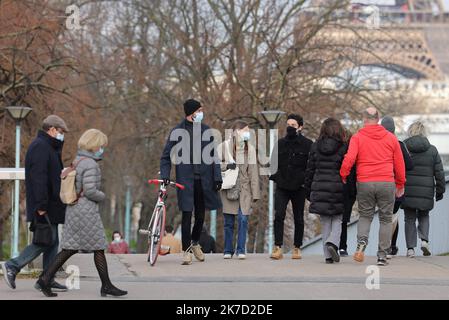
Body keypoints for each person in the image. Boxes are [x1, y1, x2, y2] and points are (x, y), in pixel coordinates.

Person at [35, 129, 127, 297]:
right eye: (101, 146)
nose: (102, 148)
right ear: (95, 145)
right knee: (96, 246)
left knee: (70, 248)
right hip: (86, 211)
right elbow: (90, 191)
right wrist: (102, 196)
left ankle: (45, 279)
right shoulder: (91, 164)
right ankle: (105, 285)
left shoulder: (78, 160)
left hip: (74, 209)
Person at [2, 115, 69, 292]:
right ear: (52, 129)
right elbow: (39, 178)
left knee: (52, 242)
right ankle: (13, 266)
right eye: (61, 132)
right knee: (45, 240)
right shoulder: (41, 147)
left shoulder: (48, 147)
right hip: (44, 205)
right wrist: (41, 205)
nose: (62, 136)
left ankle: (47, 278)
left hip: (50, 204)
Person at [340, 107, 406, 266]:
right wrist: (400, 183)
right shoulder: (391, 138)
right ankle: (382, 256)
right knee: (385, 219)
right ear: (378, 119)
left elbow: (349, 158)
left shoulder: (357, 137)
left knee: (365, 216)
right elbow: (399, 163)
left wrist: (344, 174)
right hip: (386, 182)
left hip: (365, 182)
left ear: (364, 119)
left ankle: (361, 244)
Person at [160, 99, 222, 265]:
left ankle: (195, 243)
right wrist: (166, 175)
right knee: (187, 214)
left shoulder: (206, 131)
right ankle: (186, 250)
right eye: (199, 110)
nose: (202, 113)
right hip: (185, 180)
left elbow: (214, 156)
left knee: (201, 215)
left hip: (204, 180)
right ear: (191, 113)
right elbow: (166, 156)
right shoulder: (177, 132)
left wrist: (217, 177)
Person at [305, 118, 355, 264]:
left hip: (319, 187)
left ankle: (327, 256)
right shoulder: (344, 147)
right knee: (338, 219)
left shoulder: (315, 146)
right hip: (338, 187)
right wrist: (352, 190)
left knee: (326, 221)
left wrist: (308, 190)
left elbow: (310, 170)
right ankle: (333, 242)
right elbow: (349, 170)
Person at [269, 114, 313, 260]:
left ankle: (297, 247)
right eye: (288, 124)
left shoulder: (308, 144)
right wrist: (277, 178)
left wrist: (304, 182)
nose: (290, 127)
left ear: (300, 127)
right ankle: (278, 247)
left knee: (299, 218)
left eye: (293, 125)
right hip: (282, 185)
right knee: (279, 215)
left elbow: (311, 166)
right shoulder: (280, 143)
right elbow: (273, 164)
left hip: (299, 187)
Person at [402, 121, 445, 258]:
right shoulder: (432, 150)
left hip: (408, 189)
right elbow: (439, 172)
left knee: (409, 218)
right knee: (424, 215)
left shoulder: (404, 148)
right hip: (426, 190)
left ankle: (410, 249)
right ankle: (424, 241)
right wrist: (440, 190)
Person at [218, 120, 260, 260]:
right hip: (229, 187)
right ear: (236, 131)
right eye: (245, 130)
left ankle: (241, 249)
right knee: (228, 221)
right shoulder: (224, 147)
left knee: (243, 219)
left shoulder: (251, 149)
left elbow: (254, 172)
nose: (248, 133)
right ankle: (228, 250)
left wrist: (256, 193)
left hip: (245, 189)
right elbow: (215, 165)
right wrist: (226, 166)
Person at [381, 116, 414, 258]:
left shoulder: (376, 144)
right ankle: (391, 247)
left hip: (380, 185)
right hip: (396, 186)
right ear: (393, 129)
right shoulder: (399, 144)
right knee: (393, 217)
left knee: (385, 217)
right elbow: (410, 165)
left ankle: (386, 246)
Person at [338, 129, 357, 257]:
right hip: (349, 190)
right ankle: (343, 247)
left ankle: (334, 244)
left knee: (333, 219)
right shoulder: (354, 151)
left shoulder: (336, 150)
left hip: (336, 188)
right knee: (344, 220)